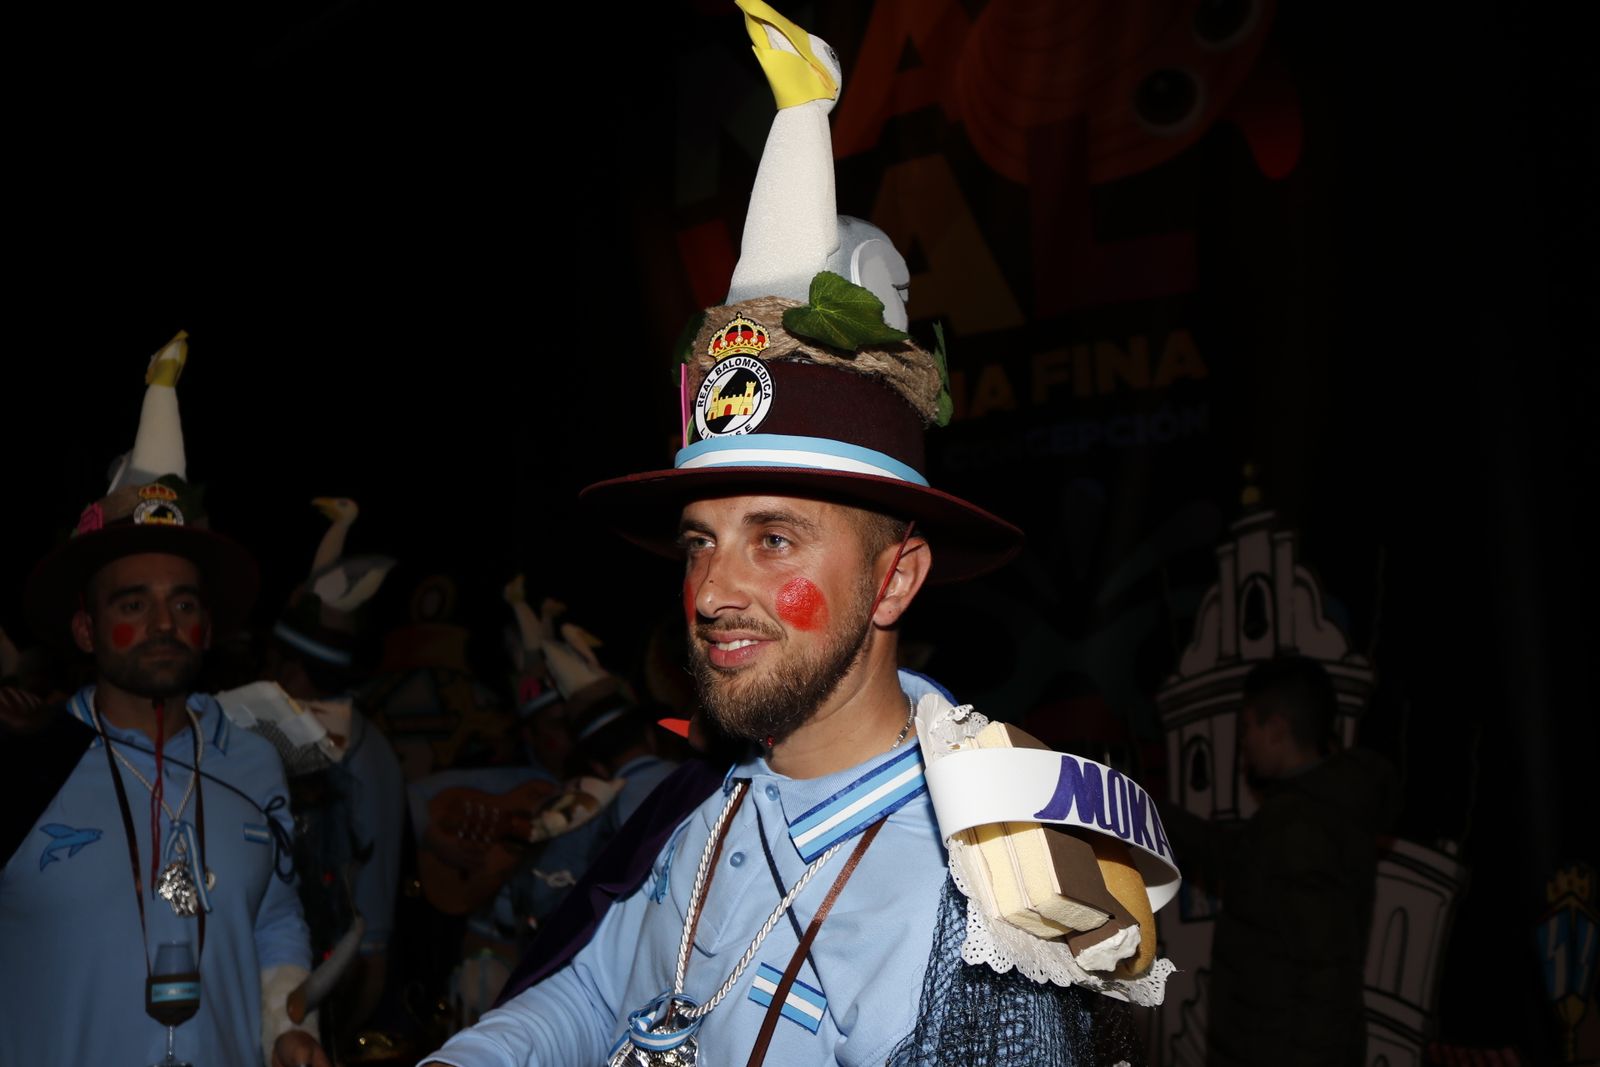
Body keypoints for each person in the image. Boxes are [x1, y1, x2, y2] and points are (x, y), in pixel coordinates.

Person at [418, 5, 1165, 1062]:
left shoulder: (979, 899)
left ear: (896, 576)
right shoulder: (717, 808)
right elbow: (590, 992)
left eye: (773, 537)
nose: (714, 587)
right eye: (698, 540)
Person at [0, 333, 329, 1067]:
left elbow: (275, 916)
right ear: (86, 628)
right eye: (132, 602)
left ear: (206, 625)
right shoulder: (24, 768)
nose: (161, 624)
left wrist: (287, 1027)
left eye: (183, 603)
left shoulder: (254, 762)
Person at [1162, 655, 1399, 1066]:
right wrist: (1144, 810)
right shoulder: (1309, 813)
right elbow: (1231, 859)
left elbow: (1325, 979)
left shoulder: (1301, 825)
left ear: (1276, 730)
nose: (1244, 743)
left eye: (1247, 728)